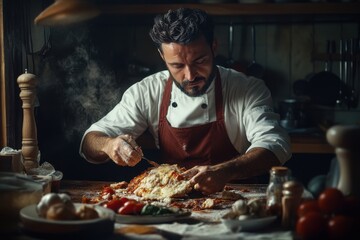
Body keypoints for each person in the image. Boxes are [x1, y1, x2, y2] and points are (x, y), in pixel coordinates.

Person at [80, 8, 291, 195]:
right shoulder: (147, 91)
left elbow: (275, 145)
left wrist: (225, 171)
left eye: (200, 61)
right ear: (163, 58)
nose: (190, 76)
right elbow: (90, 141)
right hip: (170, 201)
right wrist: (109, 144)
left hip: (234, 201)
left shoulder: (246, 88)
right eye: (178, 65)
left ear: (214, 47)